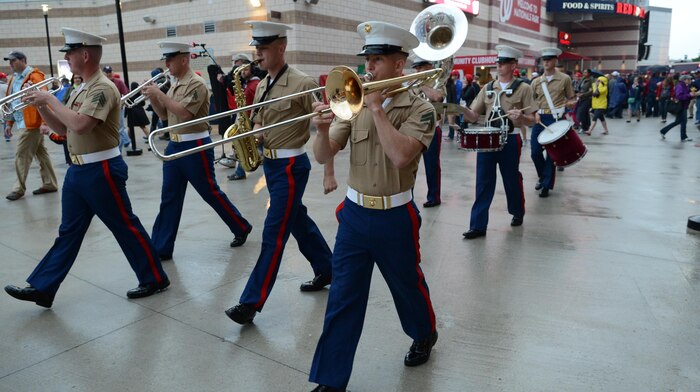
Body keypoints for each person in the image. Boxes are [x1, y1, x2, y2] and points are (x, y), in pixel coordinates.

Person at [307, 21, 438, 392]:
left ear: (399, 64)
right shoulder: (354, 105)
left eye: (377, 61)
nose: (368, 70)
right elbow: (324, 154)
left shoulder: (421, 109)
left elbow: (400, 156)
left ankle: (424, 332)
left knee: (406, 286)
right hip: (354, 215)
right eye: (367, 61)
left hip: (395, 216)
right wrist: (320, 131)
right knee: (343, 297)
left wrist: (378, 109)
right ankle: (330, 381)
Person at [4, 28, 169, 308]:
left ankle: (154, 278)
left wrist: (51, 100)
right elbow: (64, 129)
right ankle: (43, 287)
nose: (66, 57)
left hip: (102, 169)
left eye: (69, 52)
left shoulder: (103, 88)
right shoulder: (80, 87)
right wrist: (41, 106)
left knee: (124, 226)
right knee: (68, 232)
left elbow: (81, 124)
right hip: (78, 171)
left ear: (84, 54)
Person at [224, 21, 333, 325]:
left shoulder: (303, 81)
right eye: (256, 48)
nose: (257, 54)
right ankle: (328, 268)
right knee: (296, 219)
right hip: (271, 165)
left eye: (263, 48)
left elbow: (322, 120)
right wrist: (251, 136)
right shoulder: (260, 84)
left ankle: (250, 302)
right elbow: (259, 121)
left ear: (281, 47)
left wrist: (329, 169)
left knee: (274, 232)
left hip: (291, 166)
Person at [140, 41, 252, 261]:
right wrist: (153, 97)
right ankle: (161, 247)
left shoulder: (197, 83)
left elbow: (184, 113)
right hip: (175, 144)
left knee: (210, 192)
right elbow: (164, 116)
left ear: (184, 59)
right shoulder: (175, 84)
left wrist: (159, 94)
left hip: (195, 145)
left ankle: (240, 226)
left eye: (170, 59)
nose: (167, 64)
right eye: (166, 59)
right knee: (169, 198)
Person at [460, 45, 536, 239]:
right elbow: (474, 114)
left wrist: (522, 117)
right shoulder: (487, 88)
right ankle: (478, 225)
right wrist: (459, 110)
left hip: (510, 139)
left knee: (511, 179)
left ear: (513, 65)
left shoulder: (524, 88)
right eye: (498, 62)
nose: (499, 66)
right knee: (483, 181)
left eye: (503, 63)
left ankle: (518, 211)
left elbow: (533, 119)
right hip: (487, 139)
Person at [3, 50, 58, 201]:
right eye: (9, 61)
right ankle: (50, 183)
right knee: (42, 154)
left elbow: (45, 99)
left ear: (22, 60)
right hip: (22, 122)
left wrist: (45, 123)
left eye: (13, 61)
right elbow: (12, 102)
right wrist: (9, 123)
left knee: (21, 154)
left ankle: (18, 189)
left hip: (32, 124)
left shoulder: (35, 76)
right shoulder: (13, 79)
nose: (11, 64)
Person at [530, 48, 575, 198]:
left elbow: (572, 98)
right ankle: (543, 177)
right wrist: (534, 112)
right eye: (544, 60)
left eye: (549, 59)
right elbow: (531, 102)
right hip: (540, 120)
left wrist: (570, 103)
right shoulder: (536, 81)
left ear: (556, 60)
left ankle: (546, 185)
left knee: (551, 155)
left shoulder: (564, 79)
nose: (546, 62)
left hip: (556, 119)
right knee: (535, 152)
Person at [411, 56, 444, 208]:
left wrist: (422, 85)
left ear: (429, 66)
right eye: (416, 68)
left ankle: (434, 196)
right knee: (409, 164)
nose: (417, 70)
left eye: (420, 67)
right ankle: (407, 196)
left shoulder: (437, 82)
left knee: (432, 165)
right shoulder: (412, 83)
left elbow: (438, 97)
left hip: (432, 128)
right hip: (414, 129)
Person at [224, 54, 262, 181]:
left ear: (252, 69)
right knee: (255, 147)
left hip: (250, 119)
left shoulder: (255, 84)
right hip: (246, 118)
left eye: (245, 69)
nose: (243, 72)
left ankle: (240, 171)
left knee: (245, 146)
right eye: (242, 70)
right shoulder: (248, 83)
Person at [660, 74, 697, 142]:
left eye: (690, 79)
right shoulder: (680, 86)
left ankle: (663, 131)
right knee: (683, 121)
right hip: (681, 106)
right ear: (684, 80)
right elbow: (679, 96)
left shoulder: (686, 86)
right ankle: (683, 137)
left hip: (683, 106)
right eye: (688, 79)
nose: (690, 80)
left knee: (678, 122)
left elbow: (686, 96)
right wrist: (689, 95)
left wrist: (692, 95)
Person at [102, 65, 131, 148]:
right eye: (106, 72)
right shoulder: (101, 83)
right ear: (103, 73)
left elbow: (126, 94)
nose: (108, 74)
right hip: (106, 109)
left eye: (110, 72)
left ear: (112, 72)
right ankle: (125, 142)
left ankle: (119, 149)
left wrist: (122, 103)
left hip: (118, 109)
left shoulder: (119, 82)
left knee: (119, 128)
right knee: (111, 129)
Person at [576, 69, 594, 134]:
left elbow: (592, 90)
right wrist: (578, 92)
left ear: (589, 73)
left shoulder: (591, 80)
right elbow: (580, 88)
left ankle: (583, 127)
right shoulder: (582, 79)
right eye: (583, 72)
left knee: (581, 112)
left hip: (587, 98)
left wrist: (583, 94)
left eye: (586, 72)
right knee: (585, 113)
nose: (584, 73)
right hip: (581, 98)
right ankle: (586, 126)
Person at [0, 72, 8, 141]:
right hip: (5, 105)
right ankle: (7, 136)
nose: (6, 78)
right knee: (6, 121)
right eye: (5, 77)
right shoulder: (5, 86)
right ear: (2, 78)